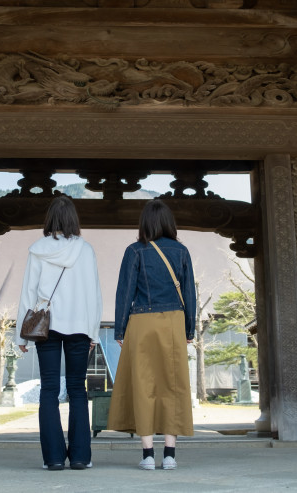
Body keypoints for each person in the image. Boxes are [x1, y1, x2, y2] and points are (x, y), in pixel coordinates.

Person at [107, 199, 196, 470]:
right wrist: (189, 329)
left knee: (144, 386)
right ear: (170, 222)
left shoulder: (134, 251)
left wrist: (120, 329)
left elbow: (125, 293)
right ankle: (169, 455)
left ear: (144, 222)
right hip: (173, 322)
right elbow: (190, 293)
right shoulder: (181, 251)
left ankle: (147, 455)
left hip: (142, 323)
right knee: (173, 385)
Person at [16, 195, 102, 471]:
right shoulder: (86, 250)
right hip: (79, 327)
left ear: (49, 219)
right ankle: (79, 457)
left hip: (47, 327)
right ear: (74, 219)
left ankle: (53, 458)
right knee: (78, 389)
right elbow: (94, 294)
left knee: (49, 388)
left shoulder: (38, 249)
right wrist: (94, 333)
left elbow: (29, 292)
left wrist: (21, 334)